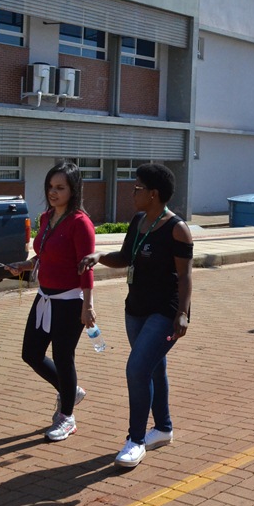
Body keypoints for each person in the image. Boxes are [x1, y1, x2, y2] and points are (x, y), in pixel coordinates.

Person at [78, 163, 193, 468]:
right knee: (154, 368)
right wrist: (99, 256)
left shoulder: (177, 229)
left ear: (153, 194)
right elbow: (125, 257)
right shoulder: (139, 220)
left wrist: (183, 313)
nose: (133, 192)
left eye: (137, 187)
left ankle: (136, 440)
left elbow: (185, 276)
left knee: (137, 369)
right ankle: (163, 429)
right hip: (136, 309)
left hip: (165, 312)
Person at [5, 161, 96, 442]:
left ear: (73, 190)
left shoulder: (80, 223)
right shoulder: (47, 218)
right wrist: (25, 265)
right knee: (31, 353)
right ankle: (70, 391)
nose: (53, 192)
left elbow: (86, 267)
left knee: (63, 357)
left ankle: (67, 417)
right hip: (44, 297)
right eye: (50, 187)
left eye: (60, 188)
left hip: (70, 301)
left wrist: (88, 306)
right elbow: (44, 254)